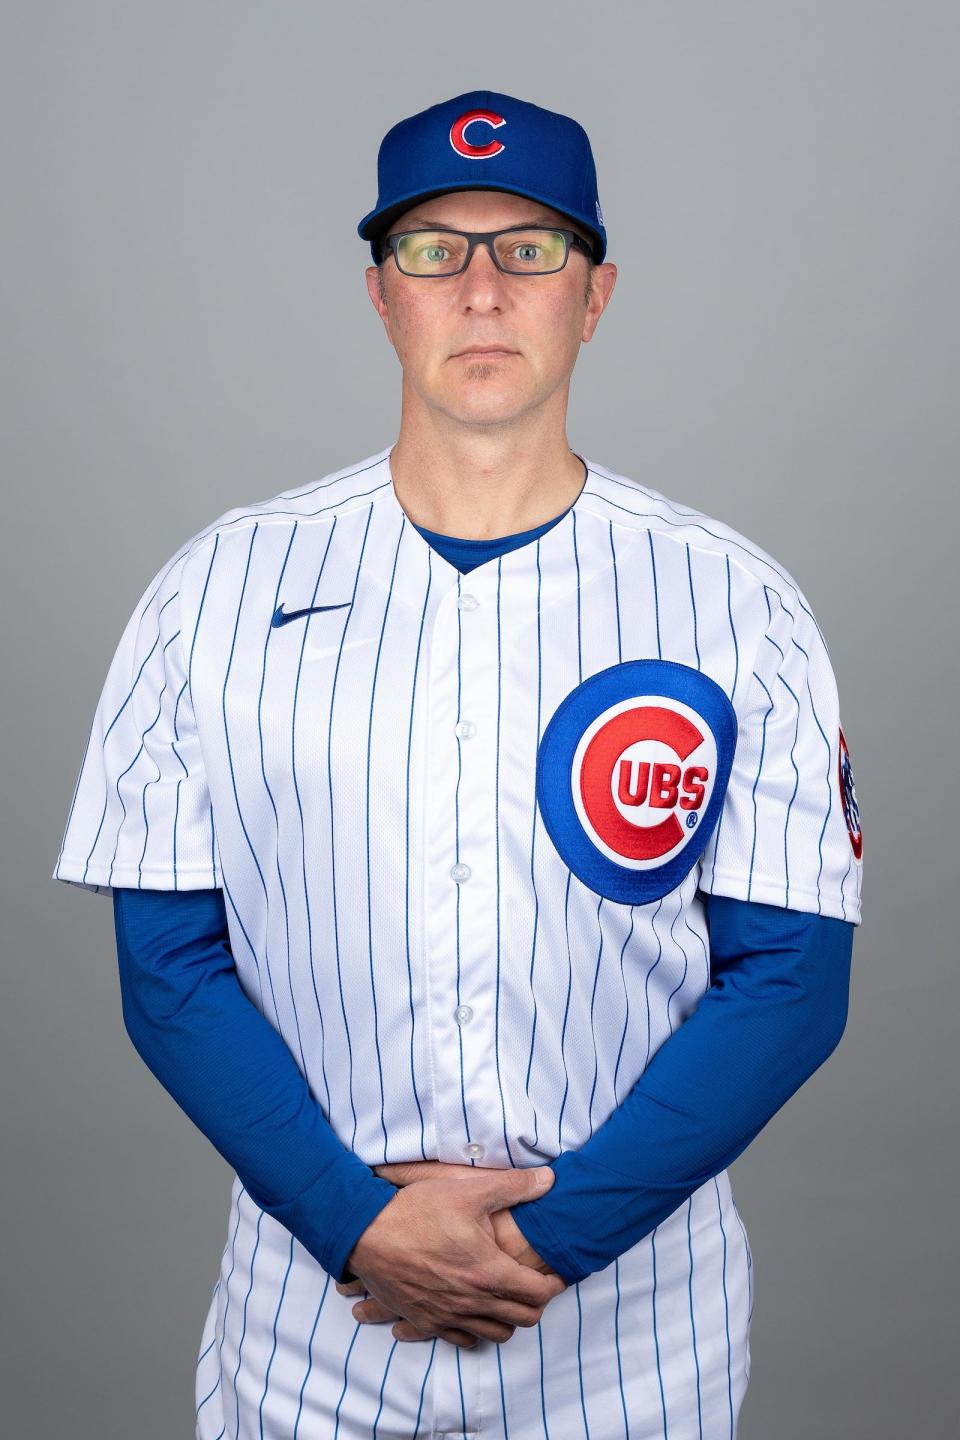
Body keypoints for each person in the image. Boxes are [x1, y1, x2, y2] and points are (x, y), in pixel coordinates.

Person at [53, 89, 864, 1439]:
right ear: (382, 294)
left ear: (595, 294)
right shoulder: (216, 588)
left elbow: (792, 979)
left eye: (529, 249)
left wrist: (544, 1249)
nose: (482, 289)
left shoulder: (737, 602)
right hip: (315, 1324)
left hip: (631, 1334)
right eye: (435, 249)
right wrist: (359, 1226)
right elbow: (167, 963)